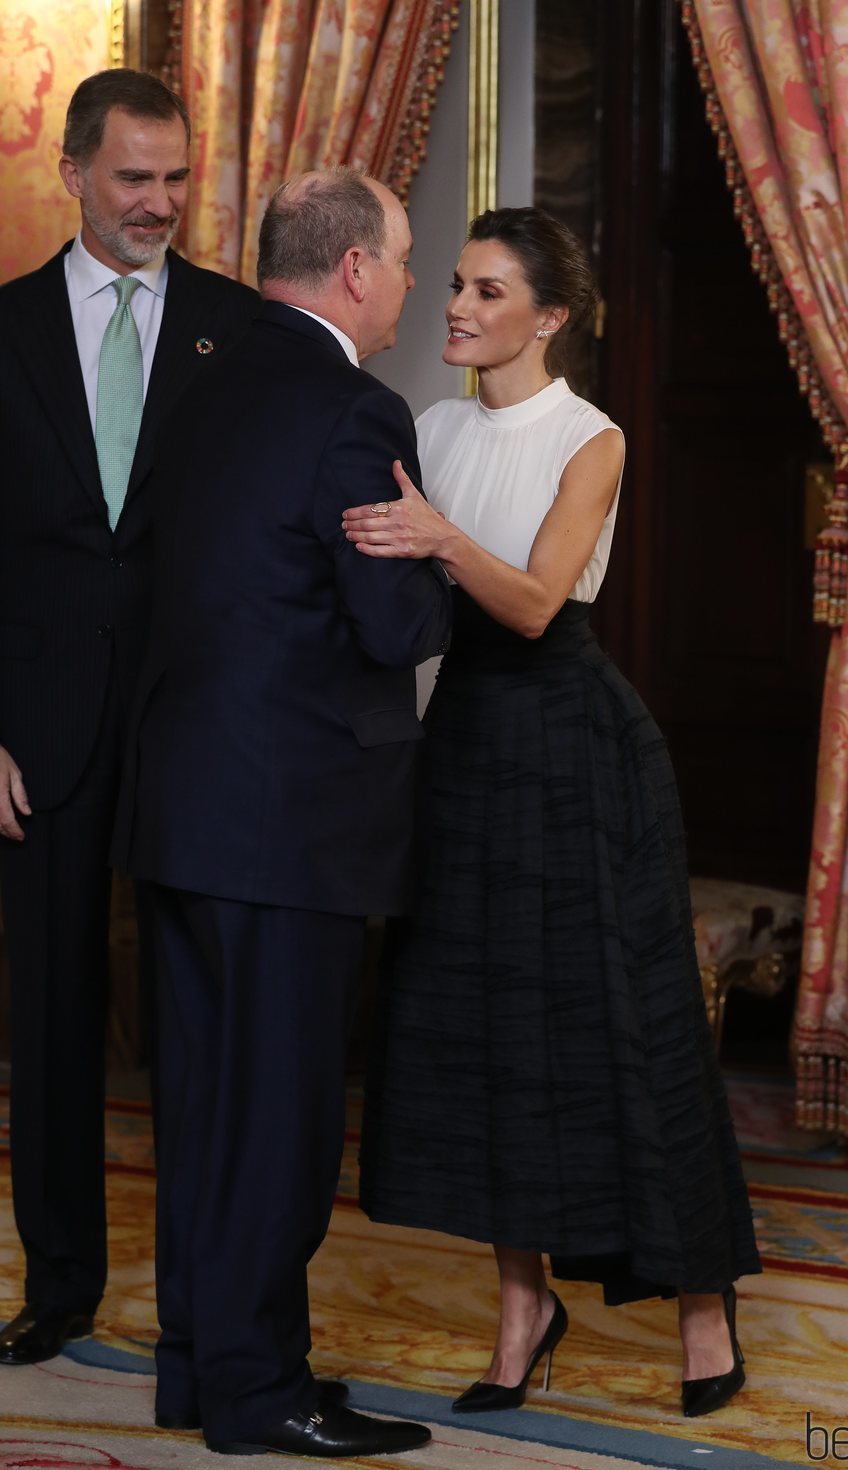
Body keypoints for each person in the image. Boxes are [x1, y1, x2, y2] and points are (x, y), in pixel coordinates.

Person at [349, 206, 762, 1420]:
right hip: (461, 745)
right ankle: (523, 1306)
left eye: (486, 292)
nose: (458, 309)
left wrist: (432, 532)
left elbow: (532, 603)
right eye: (456, 287)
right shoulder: (424, 424)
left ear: (550, 315)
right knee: (474, 1029)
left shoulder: (595, 438)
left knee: (621, 1027)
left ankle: (699, 1306)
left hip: (579, 750)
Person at [111, 168, 452, 1458]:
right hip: (291, 821)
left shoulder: (189, 389)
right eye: (406, 259)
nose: (411, 283)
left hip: (183, 808)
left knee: (202, 1112)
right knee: (280, 1119)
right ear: (354, 270)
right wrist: (434, 559)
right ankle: (262, 1395)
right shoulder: (354, 410)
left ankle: (201, 1371)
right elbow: (385, 622)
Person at [0, 69, 257, 1368]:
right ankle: (60, 1280)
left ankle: (211, 1293)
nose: (159, 202)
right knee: (48, 1010)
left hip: (198, 723)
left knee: (201, 1013)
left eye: (175, 177)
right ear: (75, 172)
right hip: (32, 730)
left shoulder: (239, 328)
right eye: (132, 178)